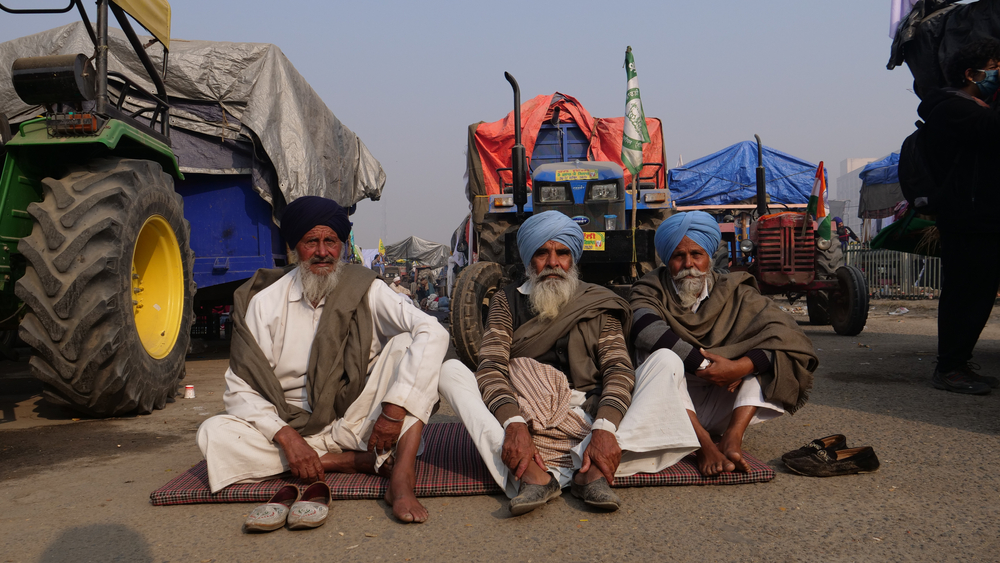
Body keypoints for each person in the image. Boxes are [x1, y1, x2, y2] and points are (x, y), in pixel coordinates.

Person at [196, 196, 449, 524]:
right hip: (287, 423)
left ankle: (400, 478)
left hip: (356, 419)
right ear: (293, 248)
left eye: (330, 241)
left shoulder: (365, 289)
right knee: (213, 433)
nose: (322, 252)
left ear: (341, 246)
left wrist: (393, 410)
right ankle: (344, 461)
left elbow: (433, 330)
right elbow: (240, 388)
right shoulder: (266, 303)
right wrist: (288, 438)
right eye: (310, 242)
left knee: (407, 345)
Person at [439, 211, 698, 516]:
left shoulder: (600, 300)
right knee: (451, 372)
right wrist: (513, 423)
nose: (552, 263)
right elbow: (492, 365)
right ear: (528, 261)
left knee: (666, 361)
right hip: (526, 413)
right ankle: (534, 473)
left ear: (573, 259)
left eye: (562, 253)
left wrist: (603, 428)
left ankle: (594, 465)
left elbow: (617, 368)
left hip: (591, 412)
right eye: (542, 253)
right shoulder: (507, 300)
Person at [629, 211, 818, 477]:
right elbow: (645, 328)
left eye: (697, 254)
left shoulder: (736, 290)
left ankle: (732, 436)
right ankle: (703, 444)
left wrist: (739, 367)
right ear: (666, 260)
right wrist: (705, 366)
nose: (688, 264)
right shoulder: (648, 289)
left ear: (708, 257)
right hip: (668, 404)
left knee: (774, 352)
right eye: (678, 256)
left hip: (725, 402)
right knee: (660, 357)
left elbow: (788, 335)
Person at [918, 39, 1000, 395]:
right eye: (996, 69)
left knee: (975, 293)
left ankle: (958, 363)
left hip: (978, 216)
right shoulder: (954, 109)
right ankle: (950, 367)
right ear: (972, 74)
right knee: (966, 293)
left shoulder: (970, 108)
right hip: (968, 217)